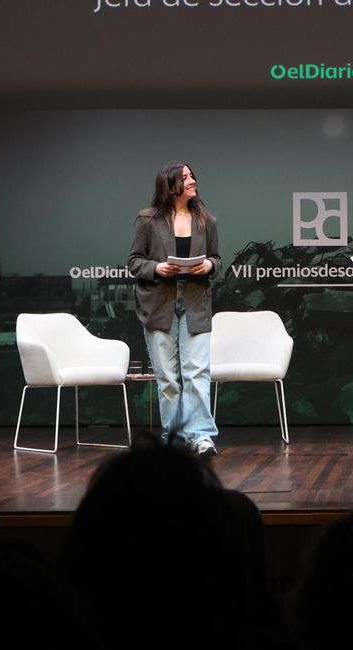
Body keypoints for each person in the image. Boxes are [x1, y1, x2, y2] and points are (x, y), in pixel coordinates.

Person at [127, 162, 222, 456]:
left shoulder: (206, 220)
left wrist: (208, 265)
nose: (192, 180)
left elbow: (217, 260)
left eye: (192, 175)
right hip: (159, 304)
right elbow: (134, 262)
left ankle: (201, 436)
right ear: (170, 186)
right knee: (168, 377)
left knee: (197, 374)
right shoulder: (147, 220)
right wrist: (158, 268)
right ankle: (174, 438)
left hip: (195, 303)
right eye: (185, 177)